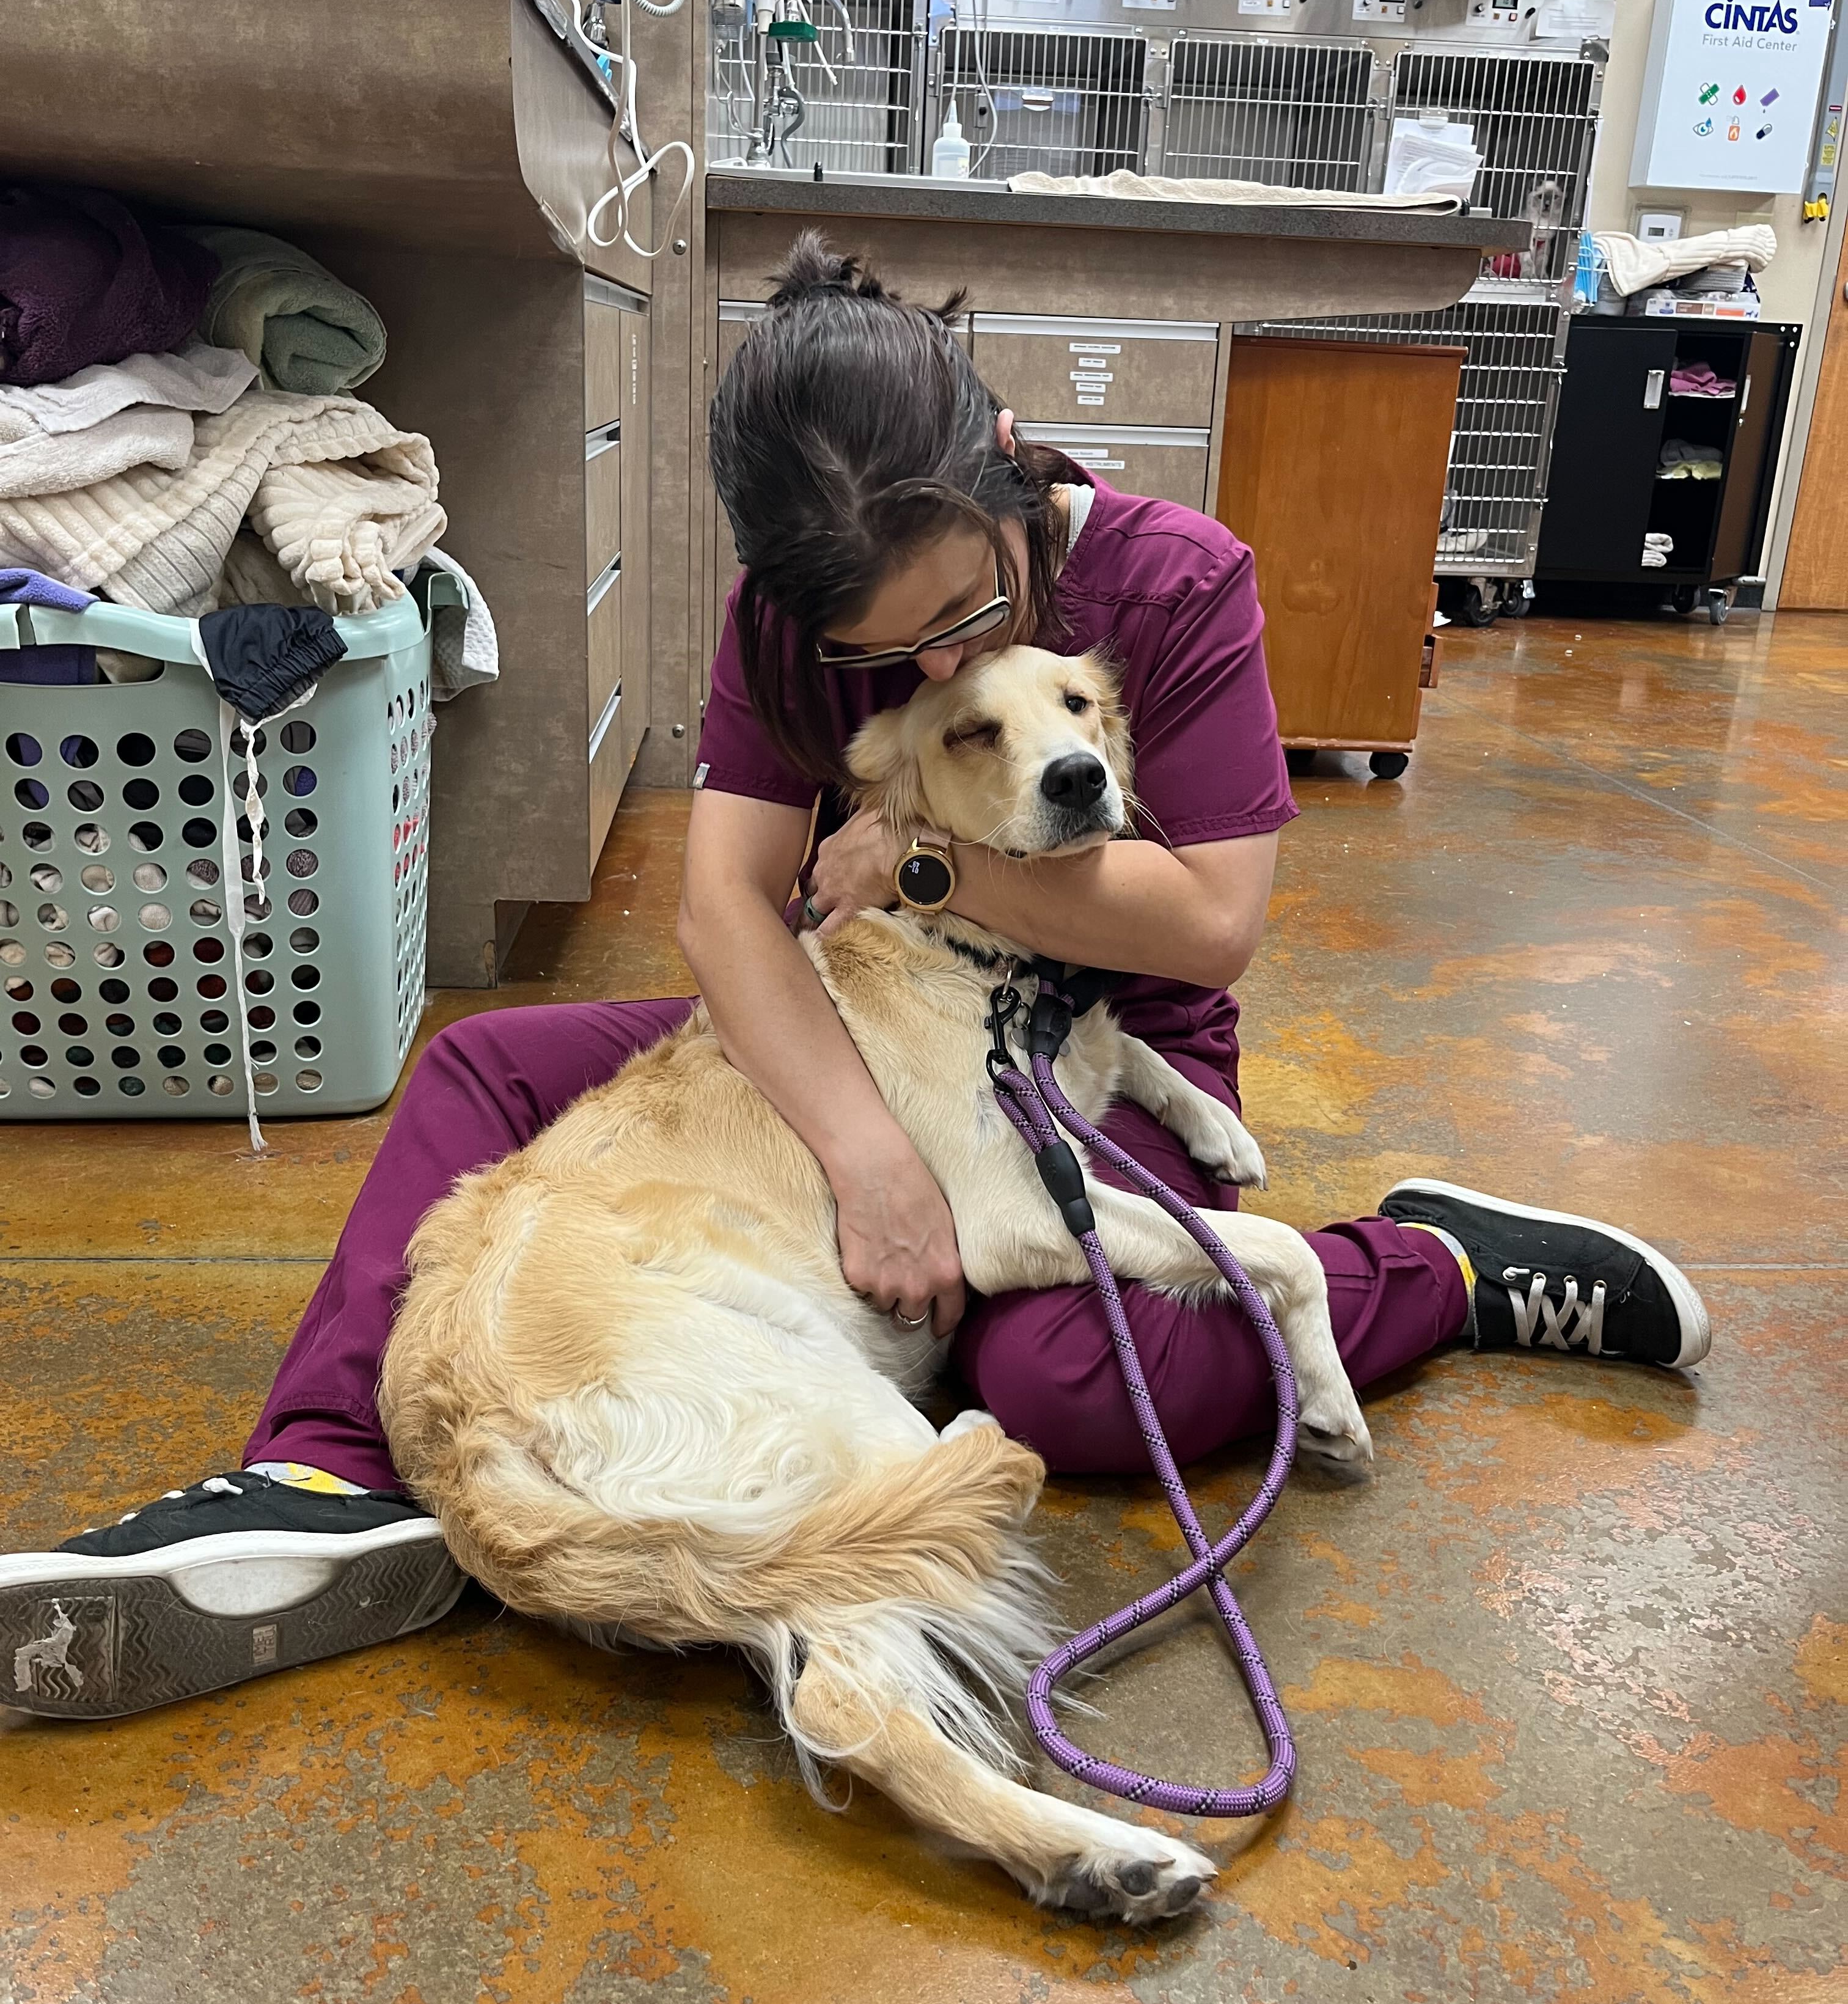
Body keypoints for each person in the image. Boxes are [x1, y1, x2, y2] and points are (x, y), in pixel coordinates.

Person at [0, 236, 1711, 1722]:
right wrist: (871, 1162)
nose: (945, 665)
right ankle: (324, 1483)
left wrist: (919, 860)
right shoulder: (784, 622)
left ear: (1007, 467)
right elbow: (727, 904)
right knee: (483, 1070)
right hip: (883, 1012)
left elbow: (1205, 924)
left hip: (1100, 1022)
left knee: (1065, 1384)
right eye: (883, 659)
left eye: (967, 613)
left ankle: (1429, 1269)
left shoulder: (1181, 584)